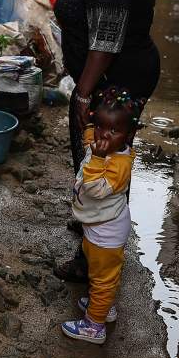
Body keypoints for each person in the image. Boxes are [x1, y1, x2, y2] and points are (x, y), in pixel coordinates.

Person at [53, 0, 161, 281]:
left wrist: (83, 93)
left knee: (99, 155)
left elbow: (106, 41)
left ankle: (93, 257)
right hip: (127, 74)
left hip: (116, 80)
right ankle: (95, 221)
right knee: (108, 152)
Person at [61, 87, 143, 344]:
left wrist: (97, 159)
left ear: (129, 135)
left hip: (106, 230)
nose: (103, 136)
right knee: (100, 270)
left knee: (102, 277)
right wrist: (88, 127)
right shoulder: (101, 145)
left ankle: (94, 326)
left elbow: (95, 189)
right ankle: (103, 306)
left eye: (113, 131)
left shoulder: (119, 164)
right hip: (97, 225)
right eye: (100, 127)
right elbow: (89, 145)